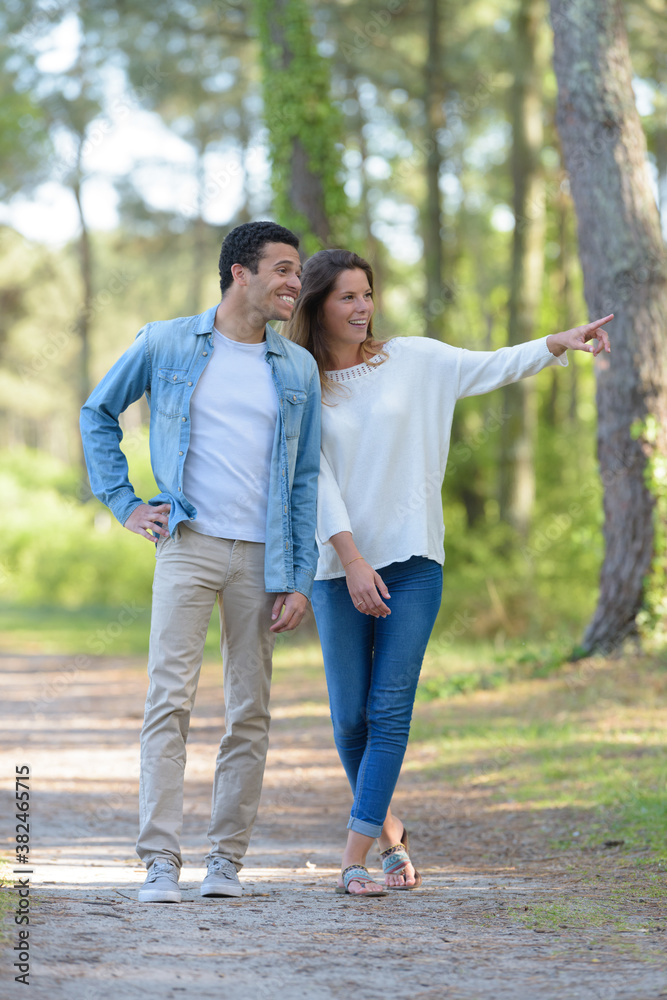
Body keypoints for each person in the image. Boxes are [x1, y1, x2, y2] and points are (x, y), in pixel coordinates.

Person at [287, 247, 612, 897]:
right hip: (335, 567)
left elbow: (490, 365)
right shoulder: (302, 384)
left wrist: (558, 342)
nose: (360, 308)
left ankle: (352, 857)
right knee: (349, 717)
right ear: (317, 305)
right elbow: (311, 480)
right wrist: (350, 562)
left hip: (411, 563)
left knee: (388, 708)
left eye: (366, 294)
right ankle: (388, 832)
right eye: (345, 297)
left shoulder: (412, 360)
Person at [80, 221, 321, 903]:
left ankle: (226, 863)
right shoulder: (166, 342)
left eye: (297, 273)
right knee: (169, 702)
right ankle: (159, 860)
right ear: (238, 273)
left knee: (249, 712)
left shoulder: (295, 367)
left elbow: (302, 479)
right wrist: (125, 502)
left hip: (262, 560)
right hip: (186, 544)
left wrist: (297, 576)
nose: (292, 283)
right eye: (280, 269)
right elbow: (99, 412)